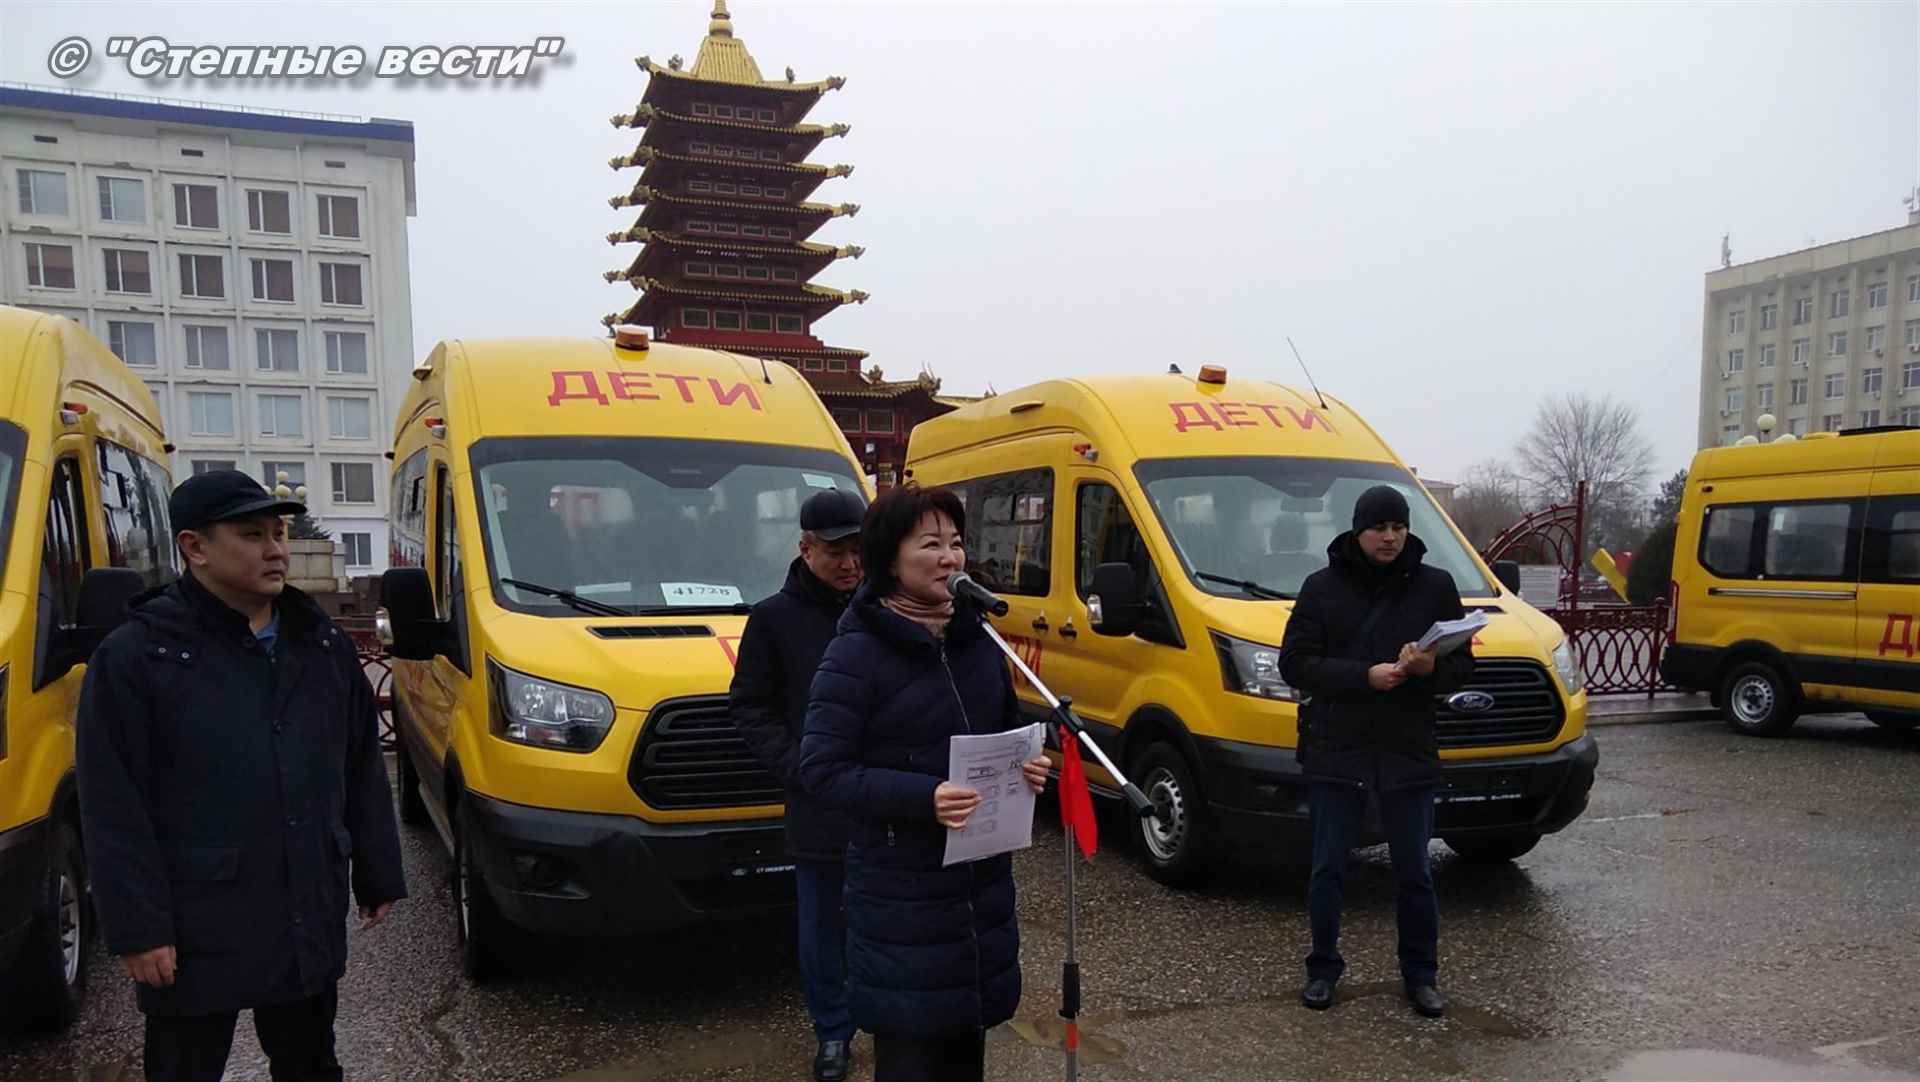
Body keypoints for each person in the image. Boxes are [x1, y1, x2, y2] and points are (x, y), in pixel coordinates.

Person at [76, 470, 406, 1082]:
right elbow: (112, 803)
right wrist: (139, 929)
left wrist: (377, 868)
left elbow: (360, 761)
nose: (276, 549)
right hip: (197, 923)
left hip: (304, 907)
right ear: (194, 547)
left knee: (310, 1064)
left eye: (278, 533)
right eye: (252, 535)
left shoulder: (320, 645)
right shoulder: (138, 657)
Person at [800, 484, 1050, 1082]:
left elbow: (1006, 729)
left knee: (966, 1050)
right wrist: (923, 796)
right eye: (931, 544)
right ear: (890, 559)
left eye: (956, 543)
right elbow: (823, 770)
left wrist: (1029, 763)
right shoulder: (856, 653)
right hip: (902, 894)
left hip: (979, 888)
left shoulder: (979, 641)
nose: (949, 557)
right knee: (913, 1056)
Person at [1276, 485, 1474, 1019]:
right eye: (1379, 528)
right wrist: (1364, 676)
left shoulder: (1436, 586)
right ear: (1358, 531)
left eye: (1399, 527)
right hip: (1337, 747)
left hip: (1407, 749)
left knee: (1415, 872)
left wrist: (1430, 669)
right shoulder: (1321, 588)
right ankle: (1322, 970)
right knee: (1328, 870)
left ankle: (1421, 976)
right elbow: (1295, 663)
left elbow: (1462, 666)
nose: (1390, 537)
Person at [729, 488, 868, 1082]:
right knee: (821, 925)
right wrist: (799, 767)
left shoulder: (882, 608)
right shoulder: (773, 619)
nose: (850, 564)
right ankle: (833, 1030)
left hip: (885, 796)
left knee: (886, 917)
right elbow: (750, 706)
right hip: (818, 803)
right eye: (836, 552)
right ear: (805, 549)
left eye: (859, 551)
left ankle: (886, 1013)